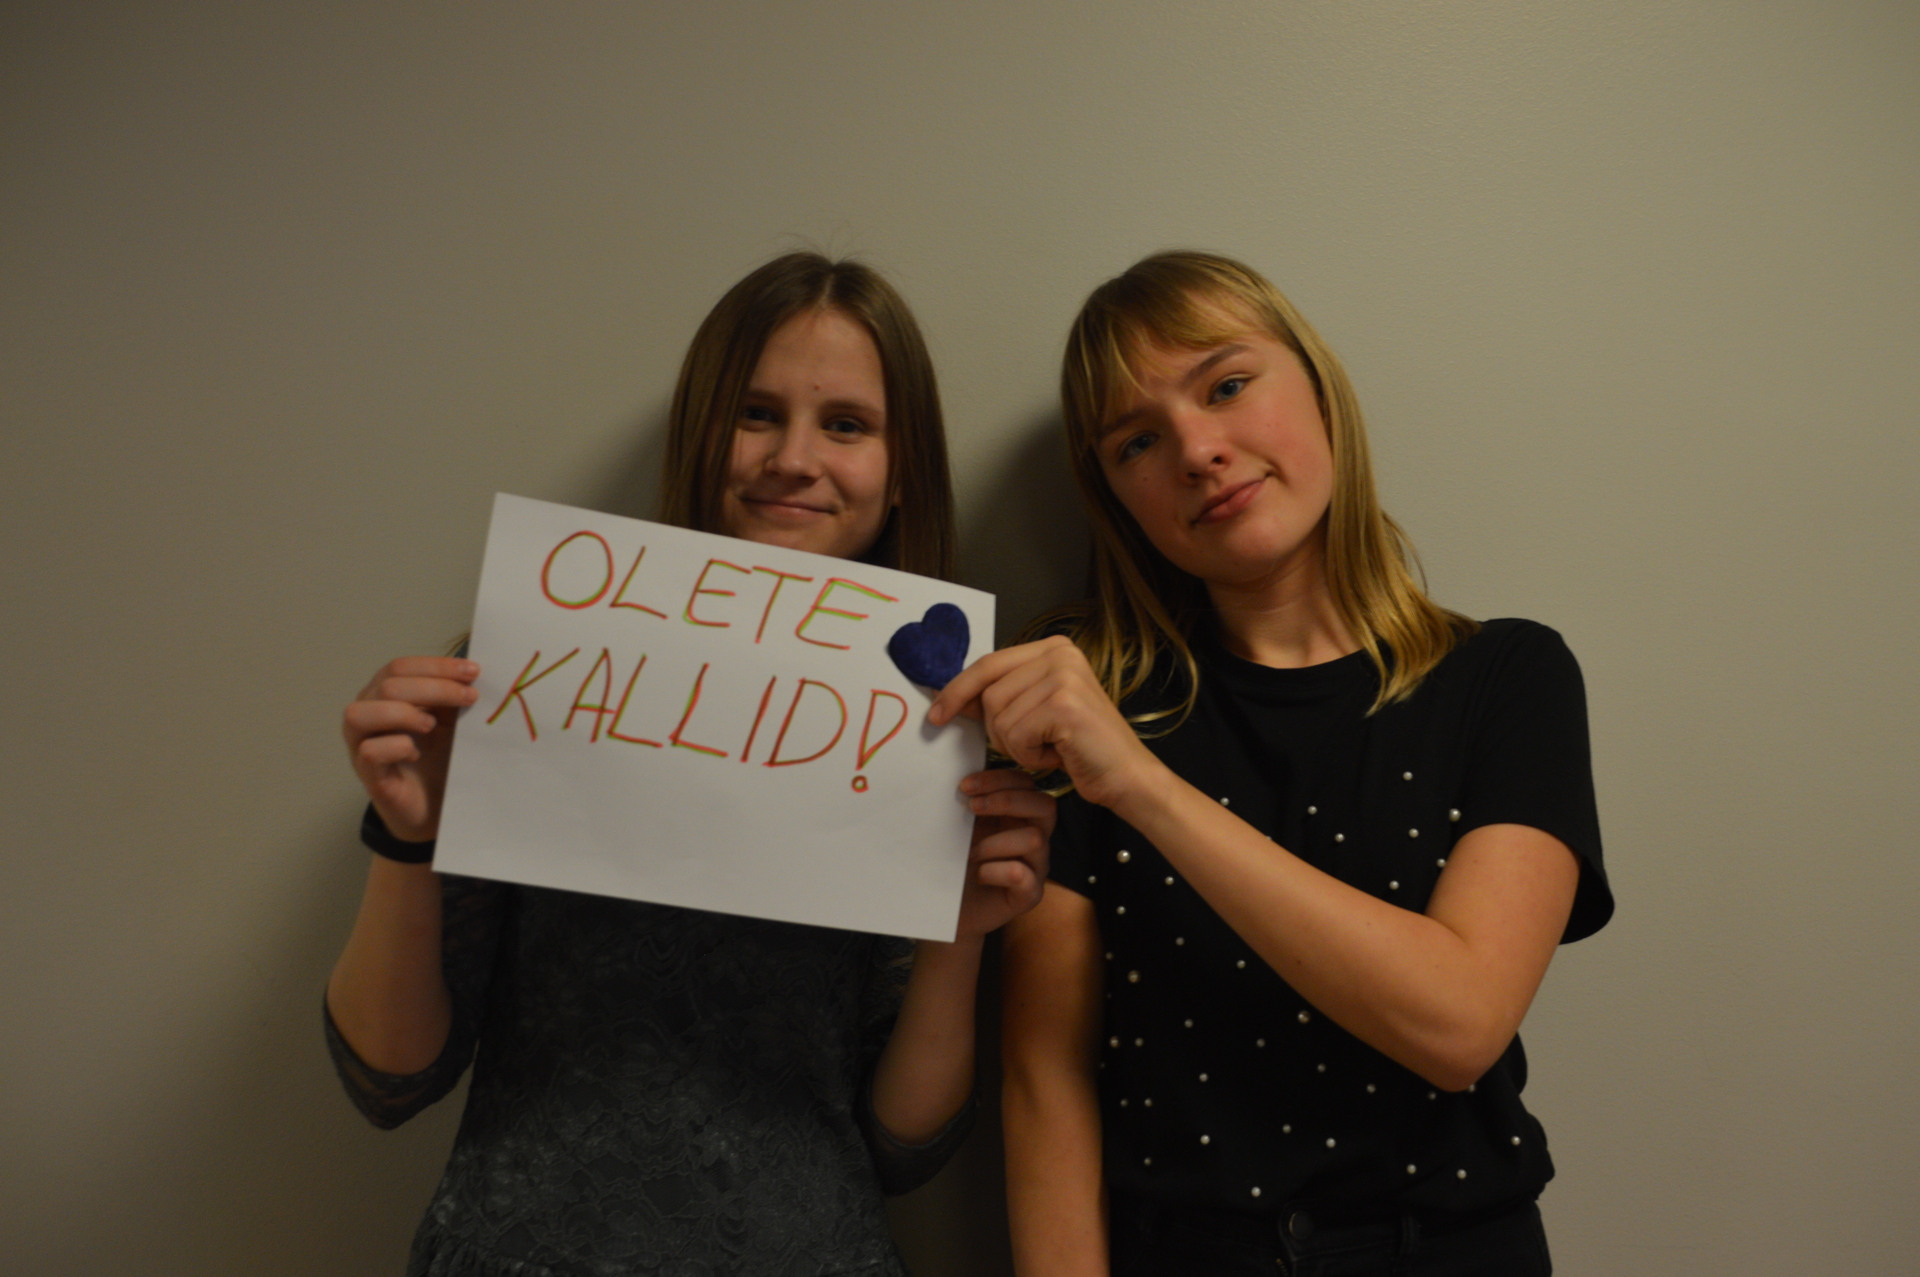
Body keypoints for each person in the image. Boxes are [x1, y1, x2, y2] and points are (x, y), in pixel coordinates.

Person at [327, 252, 1053, 1277]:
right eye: (756, 413)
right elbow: (388, 1077)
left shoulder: (942, 731)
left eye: (846, 424)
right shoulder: (538, 669)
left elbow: (904, 1146)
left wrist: (960, 935)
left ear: (902, 472)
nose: (793, 458)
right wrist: (405, 836)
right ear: (702, 431)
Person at [933, 251, 1612, 1275]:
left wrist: (1141, 786)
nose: (1199, 450)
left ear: (1320, 389)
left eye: (1227, 385)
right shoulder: (1075, 696)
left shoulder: (1508, 677)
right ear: (1114, 496)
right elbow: (1045, 1082)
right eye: (1137, 441)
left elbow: (1460, 1021)